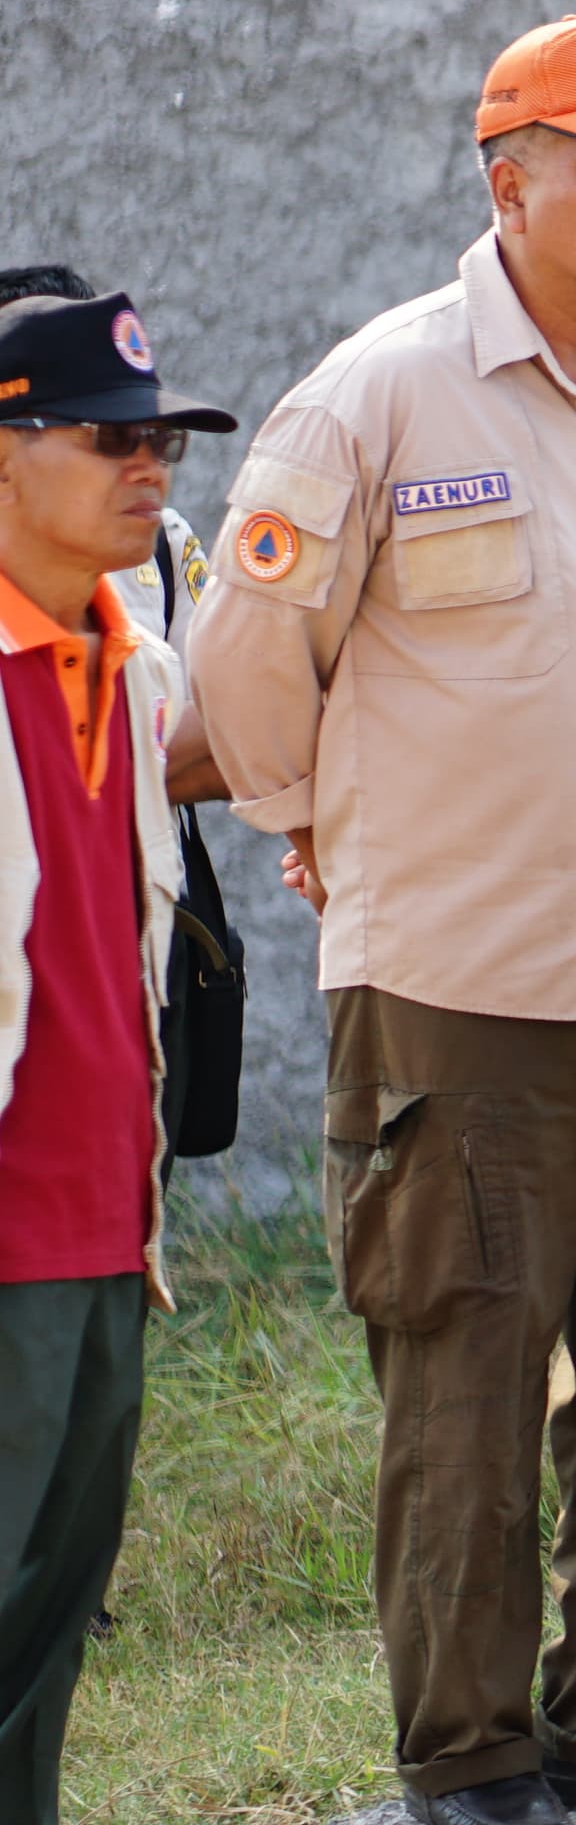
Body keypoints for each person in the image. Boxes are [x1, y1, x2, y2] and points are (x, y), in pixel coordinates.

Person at [186, 19, 576, 1825]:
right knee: (468, 1391)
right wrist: (320, 824)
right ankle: (468, 1763)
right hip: (465, 987)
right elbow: (243, 660)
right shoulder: (378, 394)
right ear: (502, 178)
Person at [0, 292, 233, 1823]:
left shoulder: (138, 666)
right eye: (106, 437)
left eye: (159, 438)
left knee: (41, 1640)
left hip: (104, 1233)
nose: (147, 466)